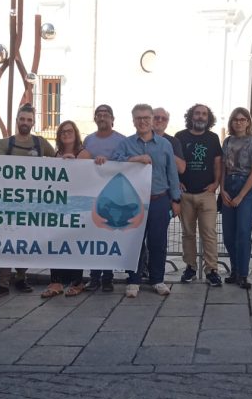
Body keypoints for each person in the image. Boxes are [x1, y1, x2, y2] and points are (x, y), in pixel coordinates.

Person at [113, 104, 181, 298]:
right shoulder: (126, 144)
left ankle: (157, 279)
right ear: (133, 121)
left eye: (145, 118)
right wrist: (136, 158)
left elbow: (172, 173)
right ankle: (133, 280)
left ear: (152, 120)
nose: (142, 121)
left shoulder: (164, 145)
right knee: (134, 242)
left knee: (158, 241)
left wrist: (176, 199)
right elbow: (116, 162)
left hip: (159, 199)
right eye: (138, 118)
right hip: (133, 202)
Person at [0, 104, 56, 300]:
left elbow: (57, 162)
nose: (25, 123)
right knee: (5, 241)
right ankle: (1, 282)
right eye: (22, 119)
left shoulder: (41, 143)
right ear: (17, 121)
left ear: (33, 122)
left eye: (29, 120)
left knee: (25, 241)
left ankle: (20, 277)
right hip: (7, 204)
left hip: (32, 204)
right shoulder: (4, 143)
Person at [41, 120, 91, 299]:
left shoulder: (83, 153)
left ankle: (76, 281)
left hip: (77, 206)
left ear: (76, 133)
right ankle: (56, 281)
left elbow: (86, 175)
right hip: (59, 206)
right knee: (57, 241)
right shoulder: (56, 154)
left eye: (69, 131)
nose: (66, 134)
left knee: (75, 242)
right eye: (62, 132)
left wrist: (74, 162)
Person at [175, 104, 223, 286]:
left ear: (208, 118)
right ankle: (190, 267)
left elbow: (217, 162)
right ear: (191, 116)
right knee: (188, 233)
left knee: (209, 233)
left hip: (206, 193)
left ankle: (211, 270)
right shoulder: (180, 136)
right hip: (185, 194)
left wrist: (216, 183)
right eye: (197, 113)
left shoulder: (213, 138)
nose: (200, 117)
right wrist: (176, 180)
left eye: (204, 114)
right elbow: (175, 162)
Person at [82, 104, 126, 292]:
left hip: (113, 197)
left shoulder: (122, 140)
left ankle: (108, 278)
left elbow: (124, 162)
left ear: (112, 119)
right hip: (92, 196)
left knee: (109, 236)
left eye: (106, 115)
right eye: (98, 115)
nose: (102, 118)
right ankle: (94, 277)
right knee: (94, 236)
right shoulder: (88, 140)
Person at [219, 107, 252, 289]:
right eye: (235, 119)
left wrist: (241, 196)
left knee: (243, 233)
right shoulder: (227, 141)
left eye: (242, 119)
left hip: (247, 188)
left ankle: (243, 274)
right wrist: (222, 190)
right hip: (229, 185)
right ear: (231, 122)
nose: (239, 122)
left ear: (248, 122)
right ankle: (234, 270)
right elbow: (223, 168)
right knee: (228, 234)